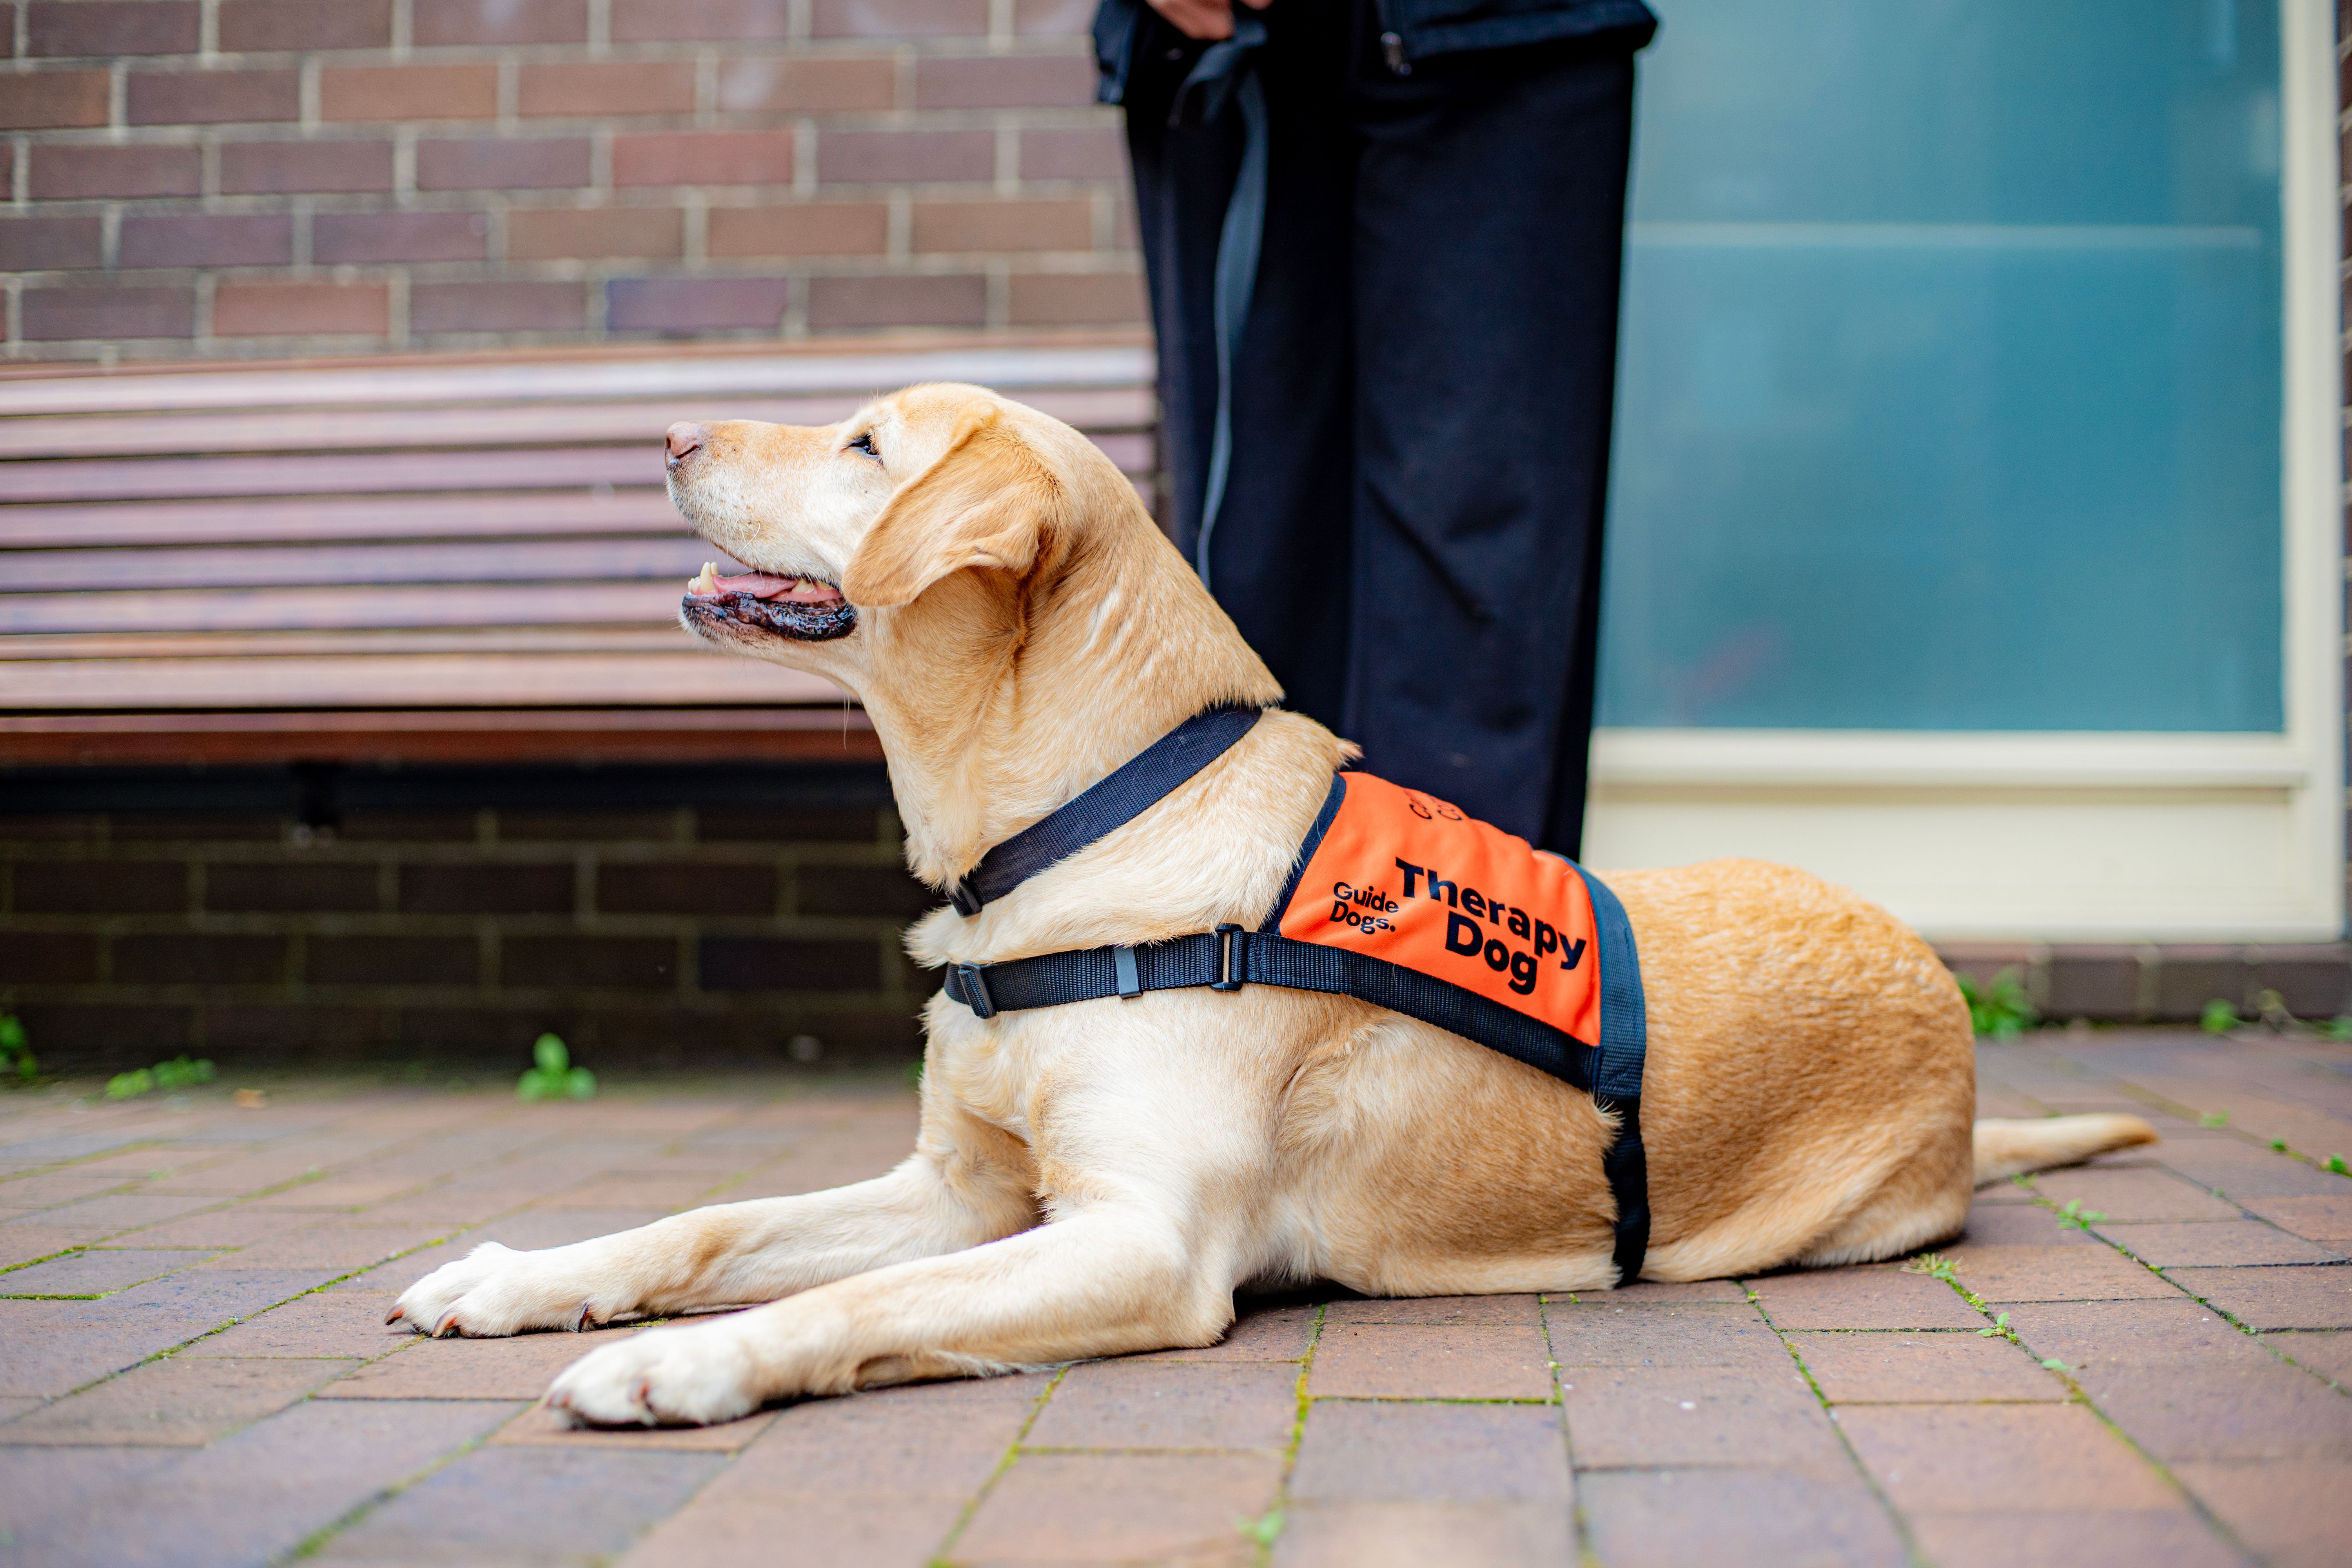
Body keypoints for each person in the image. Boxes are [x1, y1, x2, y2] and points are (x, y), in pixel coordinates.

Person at [1094, 0, 1655, 855]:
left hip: (1502, 40)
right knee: (1251, 572)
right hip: (1226, 42)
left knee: (1485, 586)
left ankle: (1454, 981)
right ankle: (1257, 971)